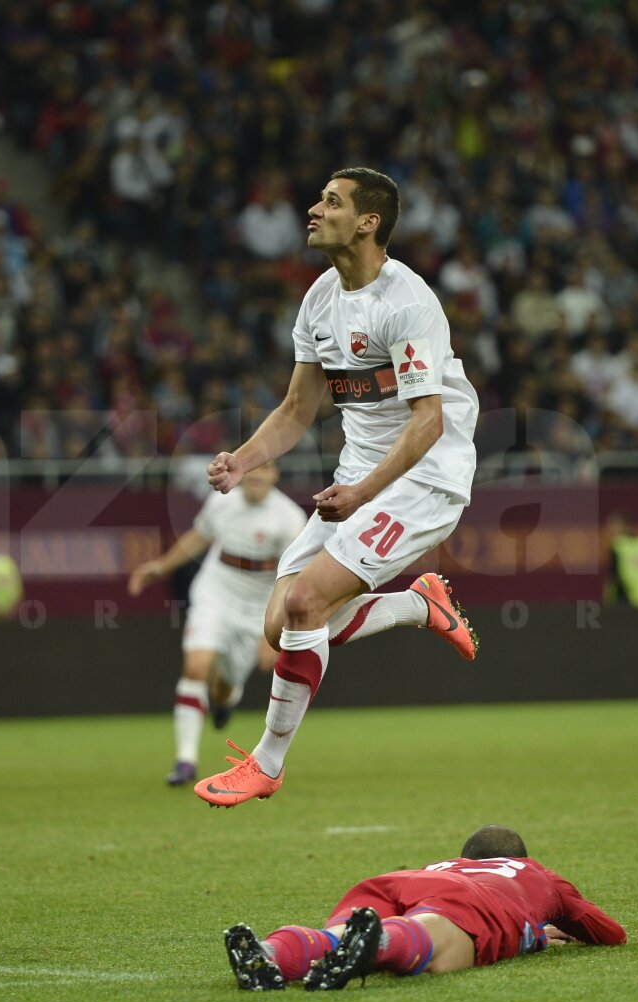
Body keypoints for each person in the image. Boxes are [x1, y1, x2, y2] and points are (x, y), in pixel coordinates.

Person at [196, 167, 480, 807]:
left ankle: (267, 762)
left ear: (369, 221)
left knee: (304, 608)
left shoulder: (407, 302)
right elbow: (298, 409)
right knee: (281, 624)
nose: (314, 209)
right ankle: (417, 605)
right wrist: (242, 461)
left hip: (426, 476)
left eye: (331, 201)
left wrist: (361, 492)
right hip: (360, 477)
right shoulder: (321, 297)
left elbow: (427, 422)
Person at [224, 824, 627, 992]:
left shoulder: (443, 864)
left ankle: (271, 953)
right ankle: (378, 943)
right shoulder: (536, 873)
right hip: (470, 899)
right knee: (433, 932)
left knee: (336, 936)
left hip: (396, 881)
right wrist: (549, 925)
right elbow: (611, 933)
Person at [127, 463, 307, 785]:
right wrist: (161, 567)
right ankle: (185, 761)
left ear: (275, 474)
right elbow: (199, 536)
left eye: (265, 469)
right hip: (215, 593)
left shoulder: (289, 518)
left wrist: (275, 632)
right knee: (196, 667)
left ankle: (225, 699)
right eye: (253, 469)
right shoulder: (222, 502)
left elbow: (294, 578)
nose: (257, 476)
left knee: (224, 686)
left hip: (257, 608)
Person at [604, 510, 638, 609]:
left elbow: (613, 576)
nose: (610, 530)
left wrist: (608, 600)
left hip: (626, 602)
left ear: (623, 525)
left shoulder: (618, 545)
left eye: (613, 525)